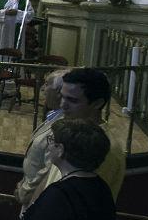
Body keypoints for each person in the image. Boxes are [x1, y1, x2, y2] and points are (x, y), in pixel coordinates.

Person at [0, 119, 116, 220]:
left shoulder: (59, 196)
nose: (49, 145)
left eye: (52, 140)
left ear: (60, 150)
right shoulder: (101, 187)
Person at [34, 68, 126, 204]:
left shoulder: (105, 149)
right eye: (62, 96)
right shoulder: (68, 130)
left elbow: (80, 204)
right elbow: (48, 178)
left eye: (72, 100)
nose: (62, 105)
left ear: (97, 103)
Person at [14, 68, 72, 210]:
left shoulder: (62, 126)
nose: (43, 90)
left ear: (60, 92)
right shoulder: (54, 116)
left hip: (36, 200)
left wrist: (24, 191)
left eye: (47, 85)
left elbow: (48, 169)